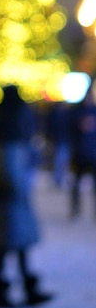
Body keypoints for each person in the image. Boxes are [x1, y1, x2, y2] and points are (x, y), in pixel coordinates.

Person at [0, 85, 53, 308]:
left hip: (5, 202)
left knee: (9, 248)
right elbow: (12, 175)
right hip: (12, 202)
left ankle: (13, 289)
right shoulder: (10, 135)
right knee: (12, 246)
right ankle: (6, 292)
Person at [69, 87, 96, 218]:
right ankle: (75, 209)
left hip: (93, 154)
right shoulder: (77, 112)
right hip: (79, 153)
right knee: (75, 184)